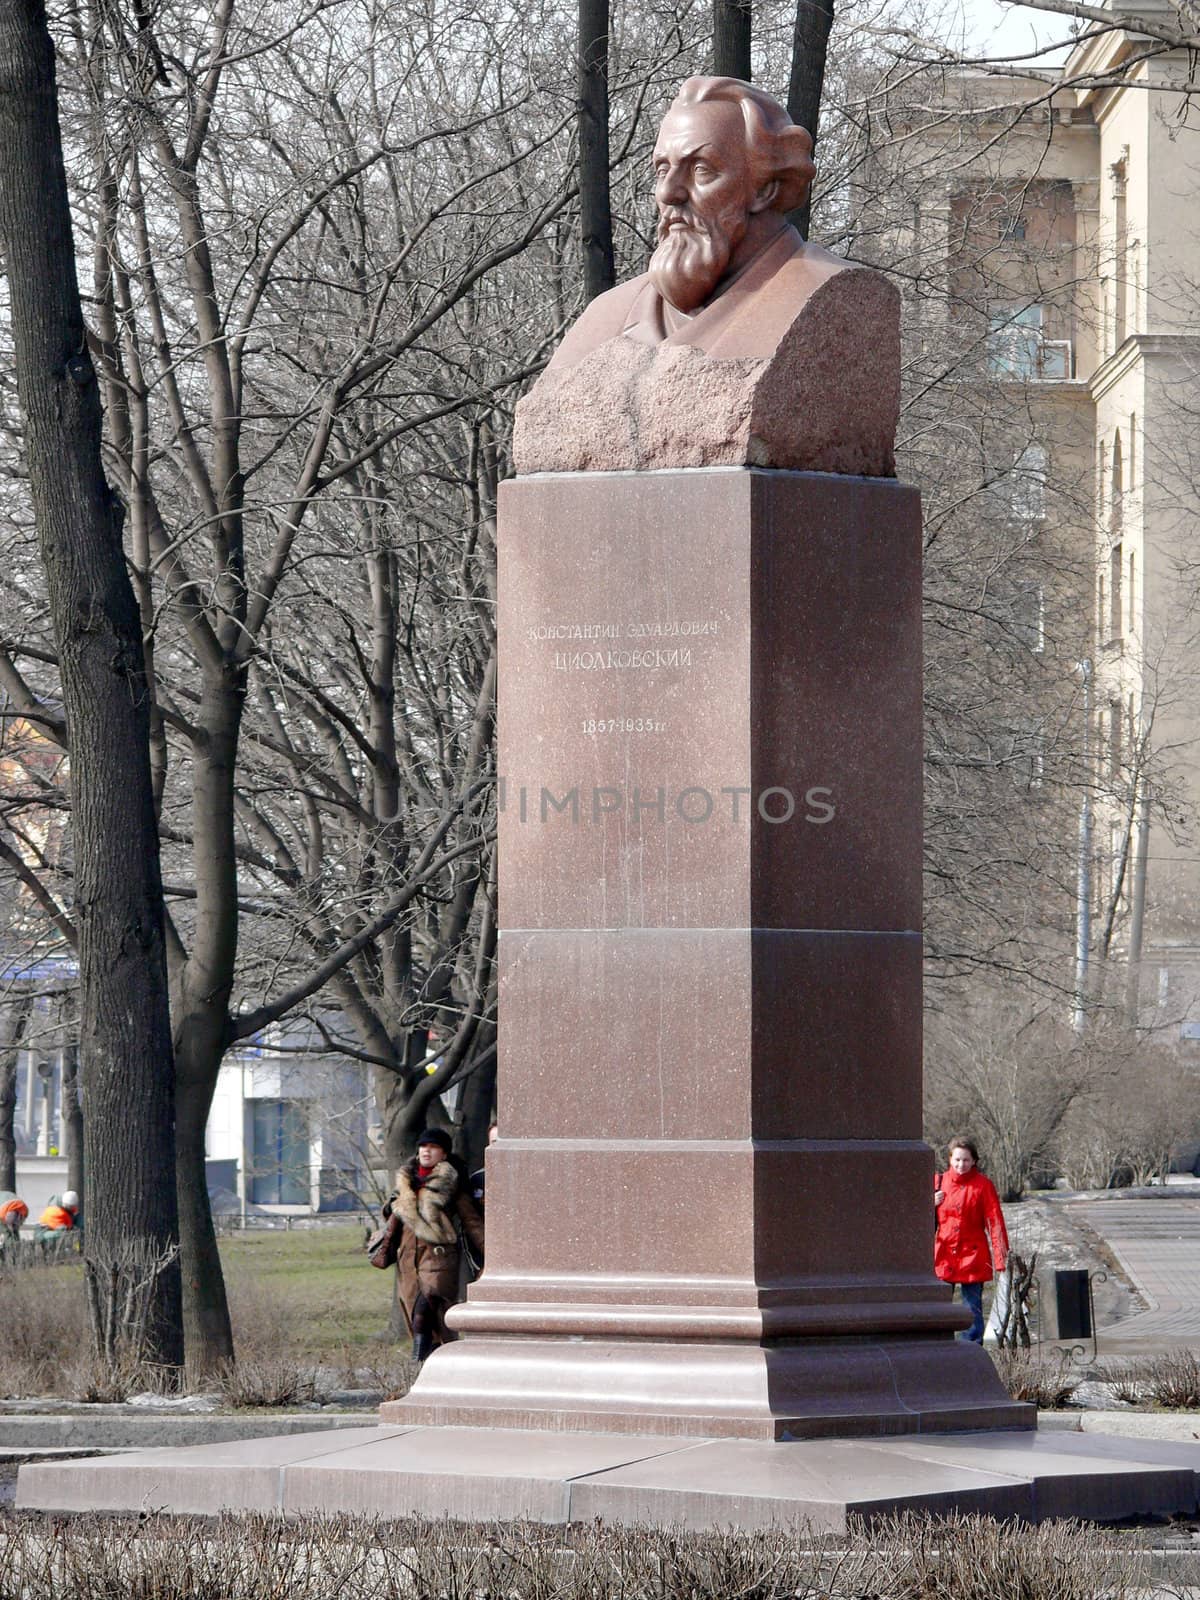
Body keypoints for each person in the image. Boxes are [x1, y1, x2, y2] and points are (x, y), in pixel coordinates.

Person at [384, 1129, 484, 1364]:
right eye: (423, 1146)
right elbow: (392, 1221)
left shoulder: (452, 1184)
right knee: (424, 1320)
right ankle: (434, 1364)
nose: (426, 1150)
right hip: (408, 1260)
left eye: (433, 1147)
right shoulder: (405, 1183)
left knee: (425, 1308)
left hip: (440, 1259)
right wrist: (391, 1208)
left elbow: (472, 1222)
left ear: (444, 1153)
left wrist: (491, 1256)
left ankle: (416, 1362)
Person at [933, 1139, 1008, 1343]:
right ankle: (937, 1349)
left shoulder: (983, 1186)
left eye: (966, 1160)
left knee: (971, 1310)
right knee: (938, 1309)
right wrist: (931, 1204)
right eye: (957, 1159)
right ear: (950, 1159)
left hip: (973, 1256)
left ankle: (971, 1353)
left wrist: (1002, 1260)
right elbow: (919, 1222)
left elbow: (995, 1223)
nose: (961, 1164)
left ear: (974, 1160)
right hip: (943, 1255)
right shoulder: (937, 1182)